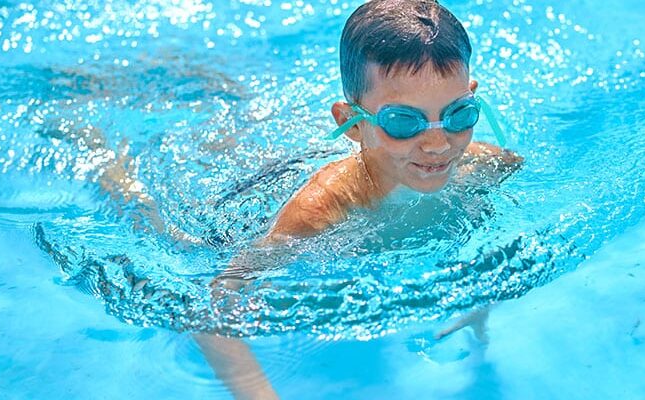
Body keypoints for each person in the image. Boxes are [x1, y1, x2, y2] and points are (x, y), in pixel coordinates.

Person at [195, 1, 523, 398]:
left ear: (472, 98)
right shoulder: (318, 213)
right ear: (348, 122)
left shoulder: (487, 166)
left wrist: (478, 302)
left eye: (458, 115)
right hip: (246, 193)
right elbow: (213, 310)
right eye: (403, 122)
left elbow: (491, 238)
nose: (438, 145)